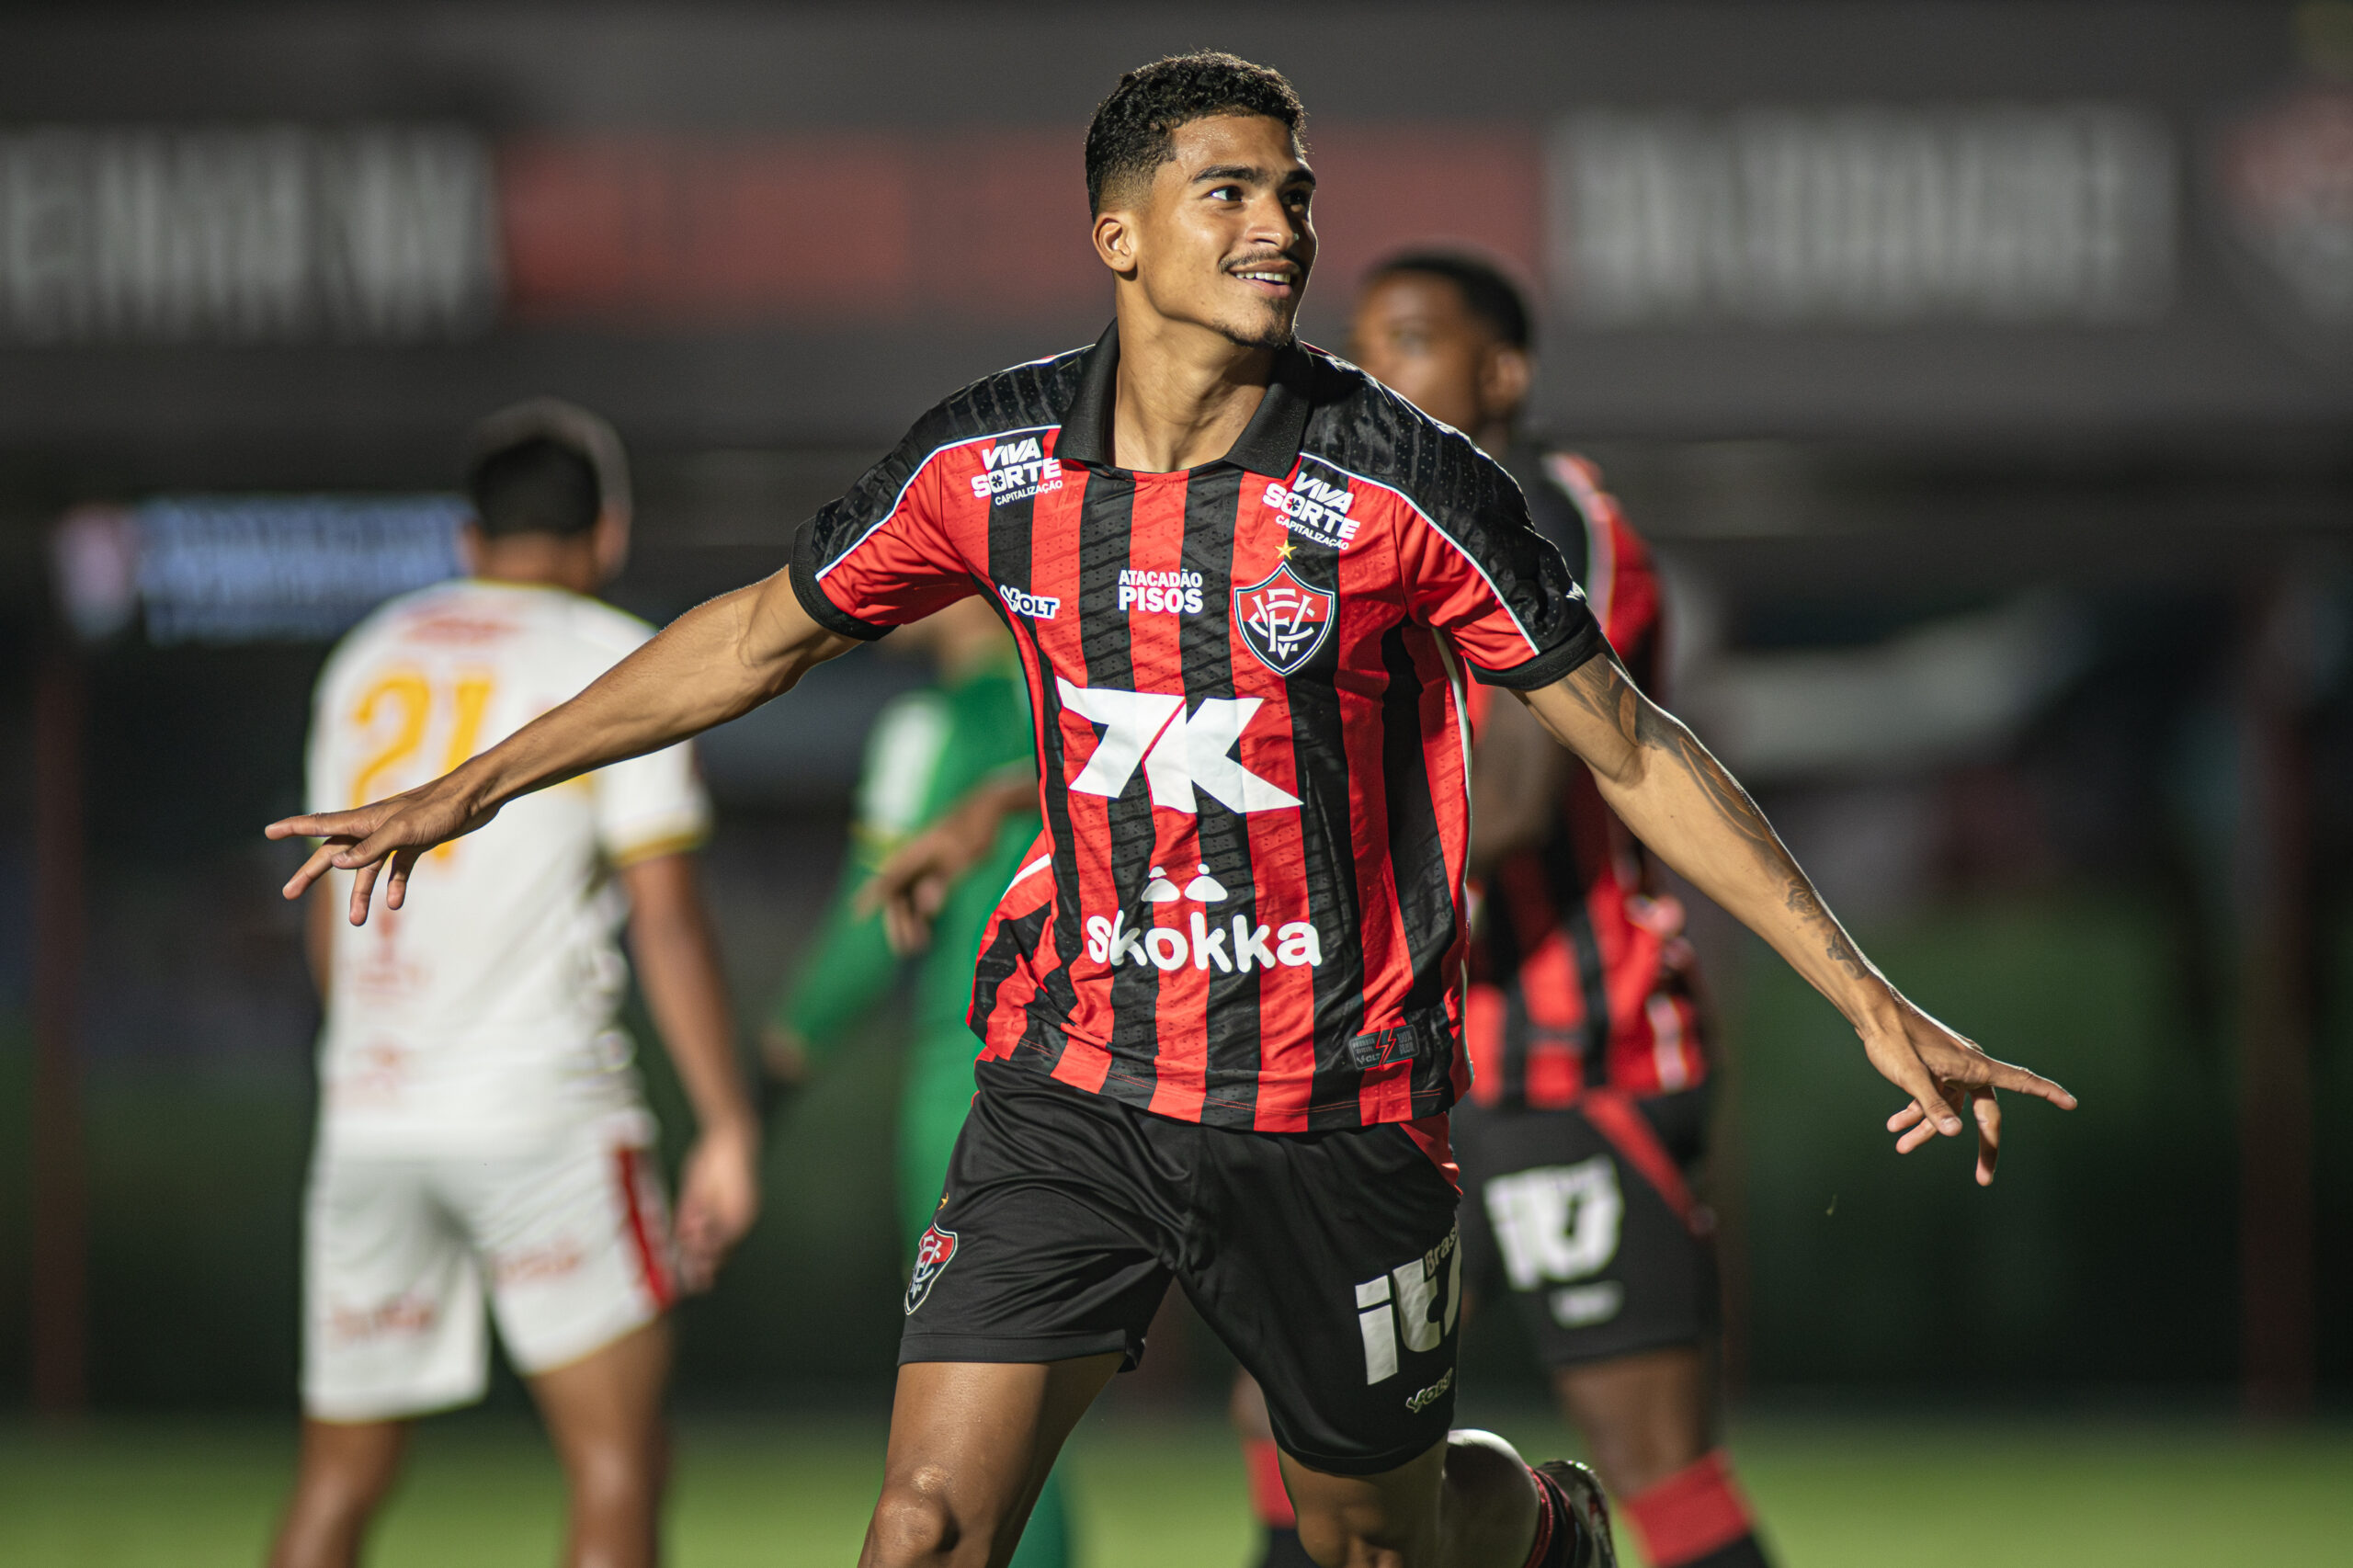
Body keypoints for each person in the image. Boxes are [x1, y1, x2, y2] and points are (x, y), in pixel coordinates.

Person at [268, 54, 2075, 1568]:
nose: (1279, 227)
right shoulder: (992, 463)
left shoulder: (1395, 481)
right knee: (919, 1528)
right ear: (1115, 232)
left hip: (1330, 1117)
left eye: (1291, 194)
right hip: (1073, 1093)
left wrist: (1865, 998)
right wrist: (471, 785)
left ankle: (1532, 1530)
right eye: (1228, 193)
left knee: (1372, 1537)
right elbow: (754, 634)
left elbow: (1623, 744)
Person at [1226, 251, 1773, 1568]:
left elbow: (1513, 797)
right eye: (1361, 342)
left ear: (1502, 372)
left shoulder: (1544, 516)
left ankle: (1556, 1535)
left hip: (1571, 1049)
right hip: (1391, 1054)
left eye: (1412, 339)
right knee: (1294, 1418)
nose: (1375, 369)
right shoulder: (1351, 526)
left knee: (1654, 1462)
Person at [267, 402, 761, 1568]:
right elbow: (668, 921)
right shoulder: (614, 658)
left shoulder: (367, 655)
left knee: (336, 1479)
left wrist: (372, 1058)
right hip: (544, 1113)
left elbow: (332, 916)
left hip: (371, 1116)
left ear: (465, 533)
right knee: (615, 1465)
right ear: (610, 533)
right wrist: (730, 1125)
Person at [759, 596, 1076, 1568]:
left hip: (975, 1080)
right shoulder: (1086, 701)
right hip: (1134, 1061)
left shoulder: (927, 725)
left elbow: (871, 921)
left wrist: (775, 1060)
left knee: (986, 1397)